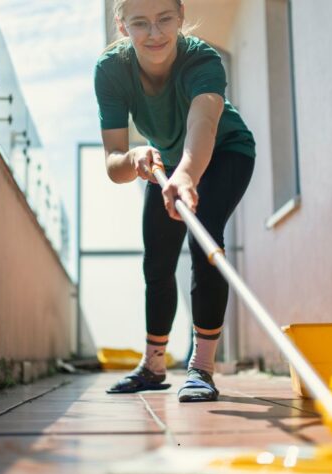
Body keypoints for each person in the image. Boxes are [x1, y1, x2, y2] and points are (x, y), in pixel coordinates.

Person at [94, 0, 255, 402]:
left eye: (165, 19)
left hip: (225, 152)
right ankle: (153, 365)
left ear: (181, 16)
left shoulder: (202, 59)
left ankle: (202, 368)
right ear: (121, 25)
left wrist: (187, 174)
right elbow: (114, 163)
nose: (155, 33)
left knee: (206, 240)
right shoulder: (111, 70)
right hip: (165, 161)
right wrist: (134, 158)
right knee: (158, 259)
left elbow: (203, 122)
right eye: (140, 23)